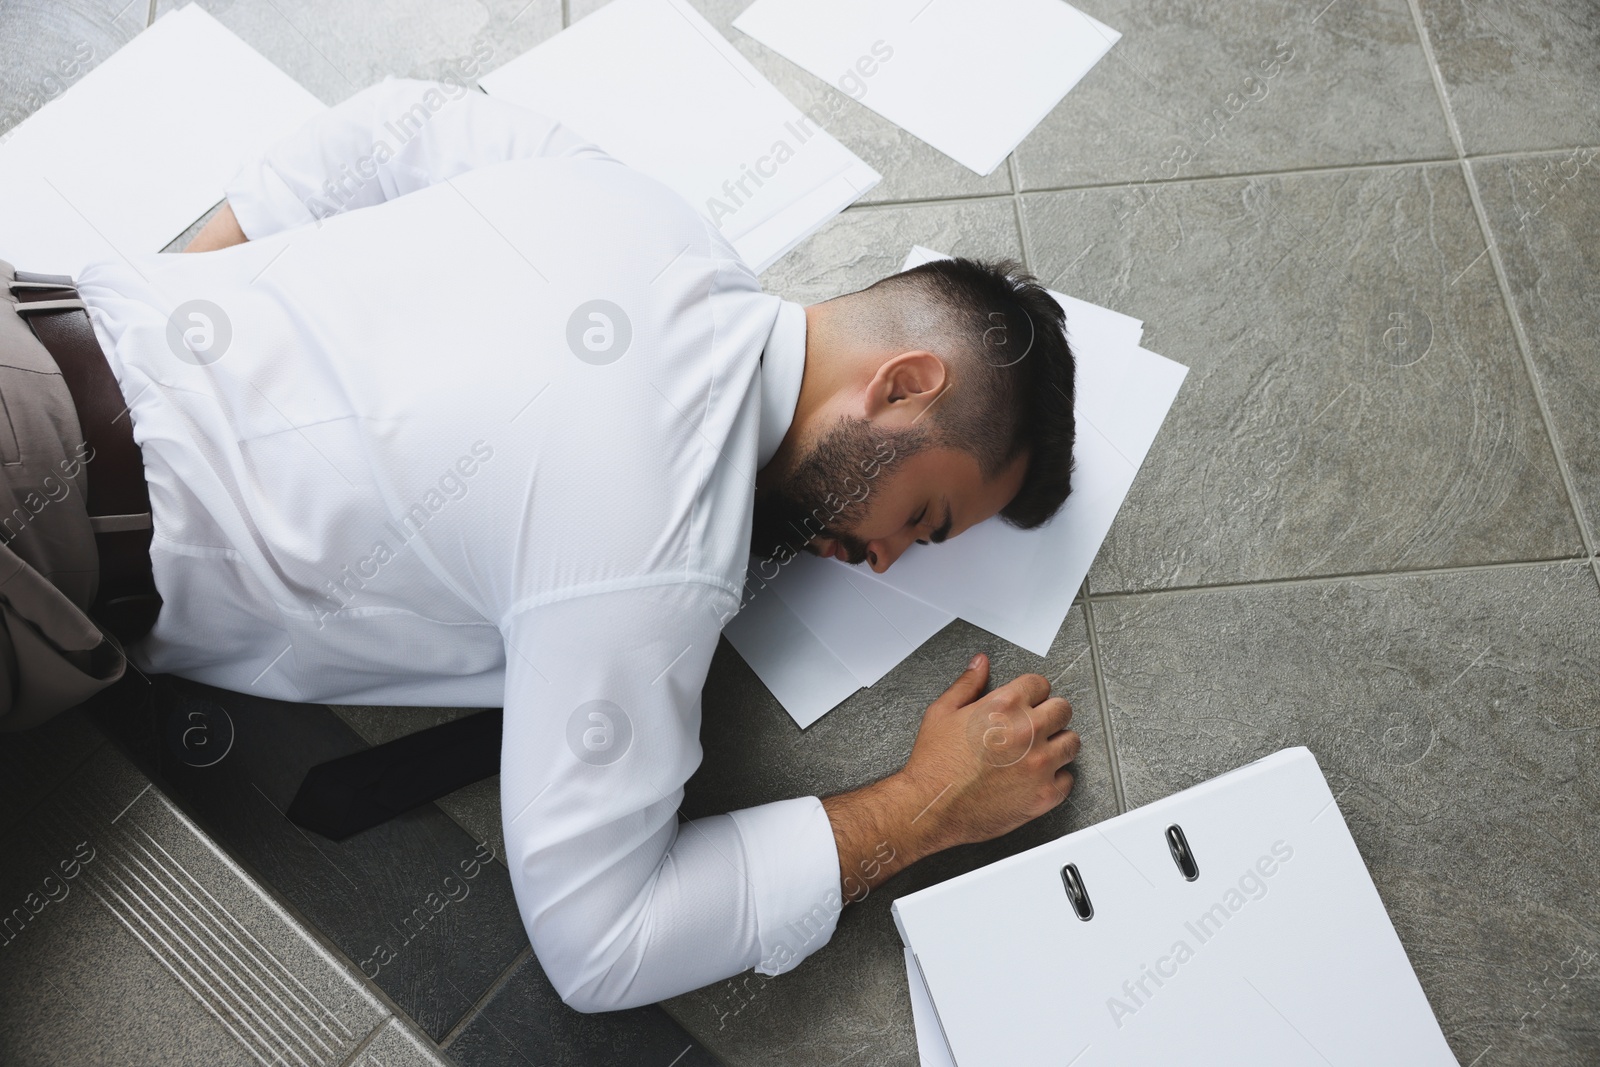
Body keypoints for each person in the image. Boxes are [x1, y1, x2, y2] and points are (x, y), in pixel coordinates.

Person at [0, 78, 1081, 1010]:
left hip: (34, 326)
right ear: (901, 387)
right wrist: (922, 807)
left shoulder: (641, 211)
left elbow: (391, 121)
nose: (886, 558)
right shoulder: (664, 544)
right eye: (922, 519)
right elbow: (601, 941)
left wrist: (177, 312)